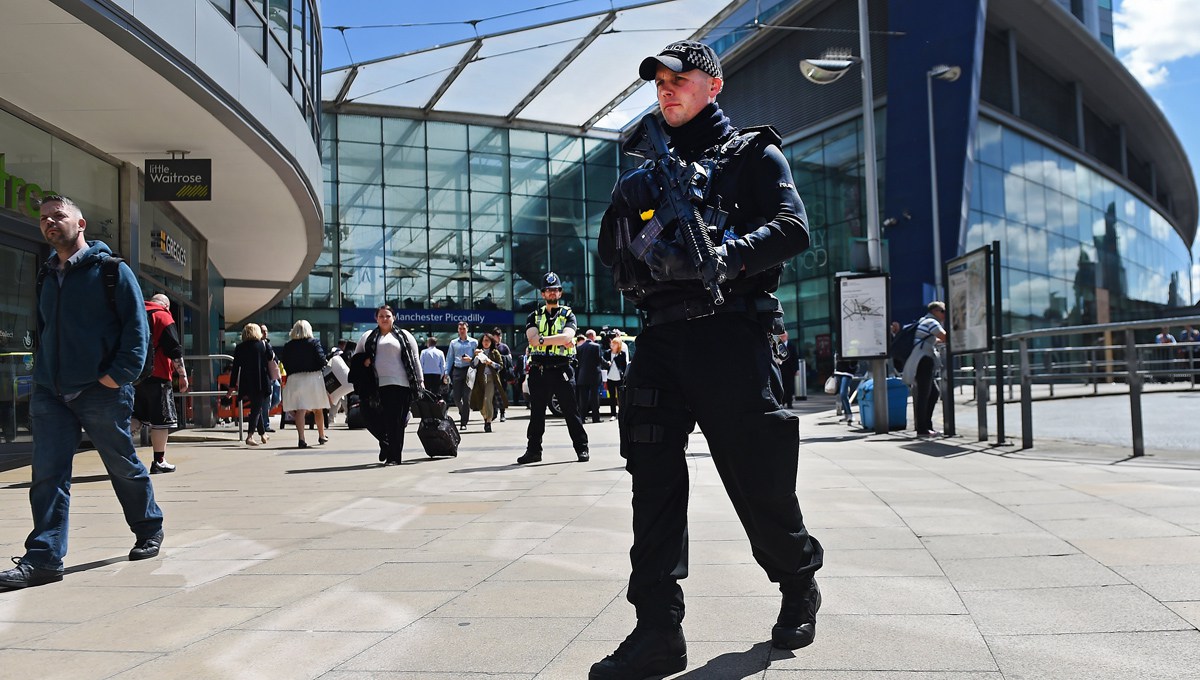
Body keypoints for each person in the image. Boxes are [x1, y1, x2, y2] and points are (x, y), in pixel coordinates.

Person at [592, 42, 823, 679]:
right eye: (659, 82)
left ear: (713, 86)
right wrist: (631, 234)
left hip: (731, 334)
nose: (667, 91)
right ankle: (657, 629)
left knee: (758, 480)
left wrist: (727, 256)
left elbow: (794, 227)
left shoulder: (752, 155)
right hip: (660, 340)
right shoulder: (641, 172)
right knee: (653, 481)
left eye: (680, 80)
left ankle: (797, 578)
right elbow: (613, 252)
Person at [0, 195, 164, 590]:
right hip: (50, 392)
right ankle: (44, 559)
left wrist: (115, 376)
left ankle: (148, 528)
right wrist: (42, 375)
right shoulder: (45, 275)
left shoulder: (111, 270)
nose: (49, 223)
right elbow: (43, 330)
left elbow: (136, 331)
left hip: (100, 391)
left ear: (81, 223)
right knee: (48, 475)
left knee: (121, 463)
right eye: (43, 218)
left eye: (58, 216)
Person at [518, 272, 589, 464]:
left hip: (562, 369)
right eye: (548, 290)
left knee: (571, 411)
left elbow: (566, 338)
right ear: (542, 294)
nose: (552, 293)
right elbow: (531, 339)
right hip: (539, 369)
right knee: (537, 414)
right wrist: (554, 340)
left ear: (560, 292)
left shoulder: (568, 314)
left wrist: (541, 340)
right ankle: (533, 451)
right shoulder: (534, 315)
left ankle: (582, 448)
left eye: (555, 290)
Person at [354, 305, 422, 465]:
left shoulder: (404, 336)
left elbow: (415, 358)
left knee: (395, 421)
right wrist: (364, 361)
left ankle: (394, 457)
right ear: (376, 318)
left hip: (400, 384)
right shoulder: (367, 336)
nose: (385, 319)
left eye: (388, 316)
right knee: (368, 414)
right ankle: (386, 443)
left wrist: (420, 381)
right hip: (375, 385)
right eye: (381, 316)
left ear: (394, 318)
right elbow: (356, 356)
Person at [131, 293, 188, 473]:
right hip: (159, 375)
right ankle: (159, 461)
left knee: (136, 417)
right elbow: (174, 350)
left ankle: (120, 453)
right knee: (161, 421)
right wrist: (183, 375)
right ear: (166, 305)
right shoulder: (163, 316)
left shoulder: (135, 313)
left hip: (134, 376)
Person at [278, 320, 329, 448]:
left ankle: (301, 438)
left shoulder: (288, 345)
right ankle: (321, 435)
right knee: (318, 408)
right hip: (313, 377)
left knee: (301, 409)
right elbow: (322, 360)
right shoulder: (314, 343)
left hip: (295, 379)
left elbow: (284, 362)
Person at [902, 301, 948, 438]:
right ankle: (922, 429)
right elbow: (945, 336)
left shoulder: (924, 321)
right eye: (943, 311)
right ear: (935, 311)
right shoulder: (931, 322)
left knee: (933, 393)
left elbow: (933, 339)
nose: (945, 314)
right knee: (924, 394)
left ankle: (926, 426)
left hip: (920, 359)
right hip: (923, 360)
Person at [227, 323, 273, 446]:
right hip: (261, 380)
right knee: (256, 409)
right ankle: (250, 435)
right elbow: (271, 357)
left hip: (246, 382)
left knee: (256, 406)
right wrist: (266, 343)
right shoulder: (262, 345)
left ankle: (263, 434)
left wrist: (231, 386)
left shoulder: (240, 348)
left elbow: (235, 368)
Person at [469, 333, 507, 433]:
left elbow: (500, 366)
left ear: (491, 342)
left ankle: (488, 422)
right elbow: (473, 365)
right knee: (481, 402)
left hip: (491, 379)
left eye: (488, 341)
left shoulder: (495, 352)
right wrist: (476, 357)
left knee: (487, 399)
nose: (485, 343)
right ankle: (486, 417)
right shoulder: (478, 352)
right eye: (484, 340)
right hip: (480, 379)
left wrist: (491, 363)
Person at [448, 321, 478, 431]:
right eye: (460, 328)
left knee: (466, 397)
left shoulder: (473, 342)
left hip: (469, 370)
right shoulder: (453, 343)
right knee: (456, 398)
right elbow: (450, 358)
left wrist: (471, 360)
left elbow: (478, 358)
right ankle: (463, 411)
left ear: (467, 329)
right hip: (457, 370)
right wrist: (446, 373)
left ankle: (463, 422)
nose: (461, 331)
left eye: (463, 329)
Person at [576, 329, 607, 424]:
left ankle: (582, 418)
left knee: (583, 399)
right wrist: (607, 364)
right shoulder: (596, 346)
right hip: (594, 375)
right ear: (592, 336)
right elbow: (599, 360)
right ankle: (595, 418)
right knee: (594, 398)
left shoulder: (580, 348)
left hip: (582, 376)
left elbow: (578, 362)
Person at [260, 324, 280, 432]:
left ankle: (264, 418)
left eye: (266, 331)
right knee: (266, 400)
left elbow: (273, 357)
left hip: (272, 375)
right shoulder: (259, 344)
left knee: (276, 397)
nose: (265, 333)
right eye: (263, 331)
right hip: (265, 375)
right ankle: (264, 423)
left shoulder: (267, 343)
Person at [489, 327, 513, 422]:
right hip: (492, 373)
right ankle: (494, 412)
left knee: (502, 393)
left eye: (500, 336)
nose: (499, 338)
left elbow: (510, 360)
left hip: (502, 373)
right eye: (497, 336)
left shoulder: (504, 347)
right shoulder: (490, 346)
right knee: (492, 394)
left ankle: (502, 413)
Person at [605, 335, 630, 421]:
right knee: (612, 397)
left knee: (621, 397)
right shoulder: (607, 353)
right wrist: (607, 363)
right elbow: (603, 363)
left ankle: (621, 413)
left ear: (618, 345)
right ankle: (613, 414)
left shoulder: (622, 354)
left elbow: (624, 365)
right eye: (612, 344)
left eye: (614, 344)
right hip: (610, 377)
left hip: (619, 378)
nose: (612, 345)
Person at [832, 354, 857, 425]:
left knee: (843, 393)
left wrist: (852, 365)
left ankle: (850, 414)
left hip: (848, 372)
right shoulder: (840, 346)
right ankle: (847, 415)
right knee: (842, 394)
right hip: (839, 371)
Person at [778, 330, 799, 408]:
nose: (782, 337)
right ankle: (782, 403)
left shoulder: (791, 345)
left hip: (790, 370)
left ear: (787, 337)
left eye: (783, 336)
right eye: (781, 336)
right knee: (781, 387)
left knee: (789, 387)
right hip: (781, 369)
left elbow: (795, 358)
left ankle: (790, 403)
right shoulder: (778, 346)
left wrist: (796, 369)